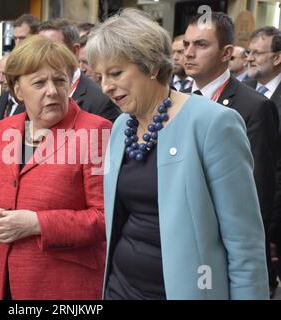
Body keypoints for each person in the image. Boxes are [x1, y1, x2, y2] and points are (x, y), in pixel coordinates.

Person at [87, 8, 269, 299]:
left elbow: (244, 241)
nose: (107, 86)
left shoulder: (213, 123)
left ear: (151, 66)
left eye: (116, 72)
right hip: (120, 288)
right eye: (99, 77)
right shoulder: (121, 125)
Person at [0, 35, 111, 300]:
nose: (52, 90)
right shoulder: (5, 130)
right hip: (0, 282)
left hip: (61, 285)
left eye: (60, 80)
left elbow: (106, 218)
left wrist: (38, 223)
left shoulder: (95, 131)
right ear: (17, 90)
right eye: (39, 83)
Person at [184, 12, 279, 298]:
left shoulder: (253, 106)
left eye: (200, 45)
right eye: (187, 44)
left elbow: (258, 188)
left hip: (227, 245)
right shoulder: (175, 101)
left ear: (226, 53)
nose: (188, 53)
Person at [244, 26, 281, 296]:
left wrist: (271, 227)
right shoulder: (244, 92)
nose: (250, 58)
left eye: (258, 53)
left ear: (277, 58)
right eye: (248, 52)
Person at [39, 18, 120, 123]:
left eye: (52, 48)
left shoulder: (101, 101)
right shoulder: (31, 96)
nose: (41, 56)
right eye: (38, 48)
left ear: (74, 51)